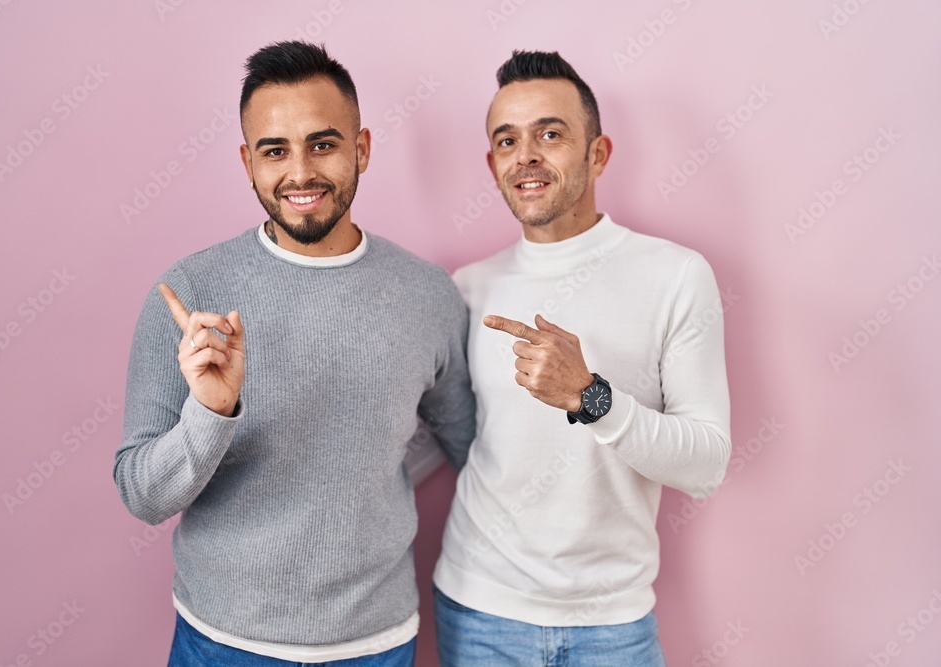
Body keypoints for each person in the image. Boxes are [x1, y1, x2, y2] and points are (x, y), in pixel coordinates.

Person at [113, 40, 475, 667]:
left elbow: (469, 447)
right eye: (275, 150)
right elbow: (143, 497)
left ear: (360, 149)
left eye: (323, 144)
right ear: (248, 162)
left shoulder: (427, 295)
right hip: (221, 643)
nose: (300, 172)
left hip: (377, 645)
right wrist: (210, 414)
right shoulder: (190, 294)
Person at [432, 50, 731, 666]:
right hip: (480, 610)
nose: (527, 155)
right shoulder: (466, 289)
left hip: (613, 624)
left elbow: (705, 465)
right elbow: (440, 436)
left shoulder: (675, 276)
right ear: (493, 166)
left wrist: (590, 398)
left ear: (598, 153)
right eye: (507, 140)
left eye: (551, 133)